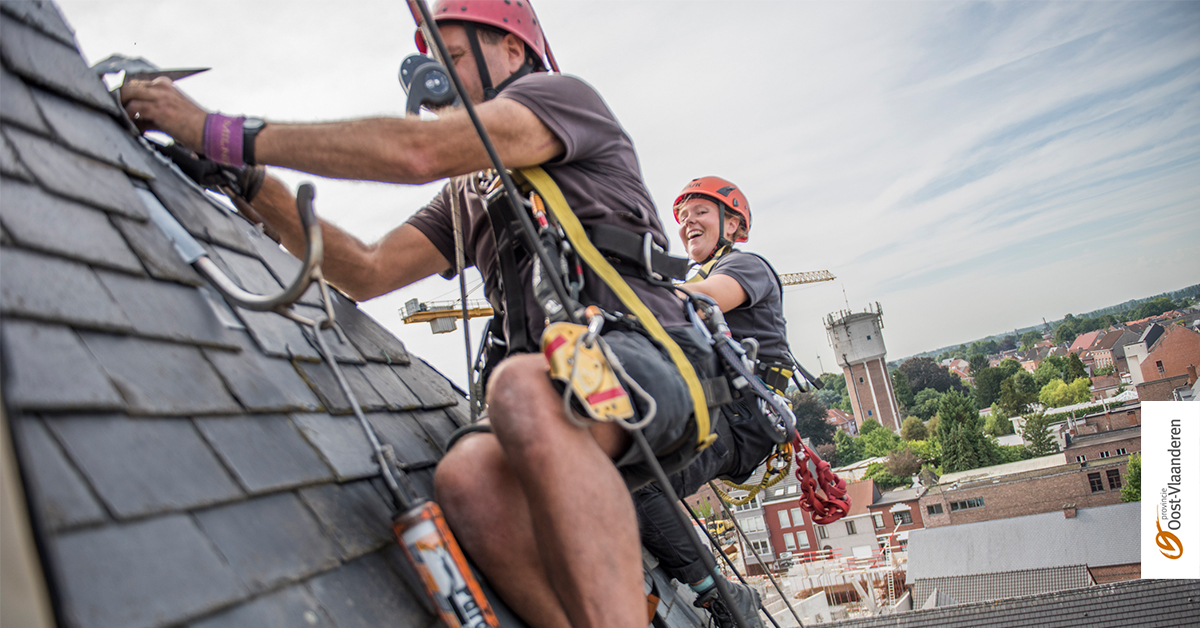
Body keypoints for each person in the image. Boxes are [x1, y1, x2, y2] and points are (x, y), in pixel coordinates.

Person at [120, 2, 719, 627]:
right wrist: (249, 182)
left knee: (516, 384)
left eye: (454, 57)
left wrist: (211, 128)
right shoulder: (469, 191)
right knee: (467, 480)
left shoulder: (560, 99)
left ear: (512, 52)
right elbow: (366, 267)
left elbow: (417, 151)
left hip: (651, 362)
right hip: (568, 383)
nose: (440, 79)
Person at [634, 176, 793, 628]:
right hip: (714, 410)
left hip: (743, 421)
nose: (688, 224)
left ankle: (720, 596)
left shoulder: (747, 267)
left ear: (733, 224)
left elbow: (706, 301)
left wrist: (628, 291)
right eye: (683, 218)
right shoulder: (689, 280)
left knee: (638, 478)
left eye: (701, 212)